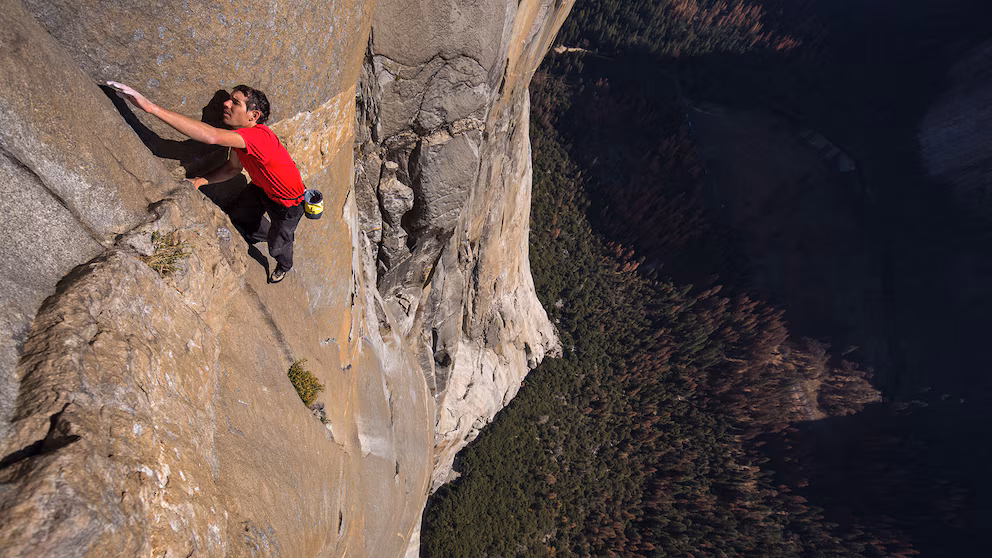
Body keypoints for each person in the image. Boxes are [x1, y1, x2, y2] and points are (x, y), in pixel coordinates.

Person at [109, 81, 305, 284]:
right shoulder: (240, 137)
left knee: (278, 245)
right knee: (240, 216)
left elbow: (211, 136)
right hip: (260, 187)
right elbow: (233, 168)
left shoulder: (259, 138)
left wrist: (151, 108)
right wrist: (199, 181)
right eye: (229, 99)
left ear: (253, 116)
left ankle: (284, 264)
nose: (226, 104)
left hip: (287, 203)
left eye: (235, 102)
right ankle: (265, 233)